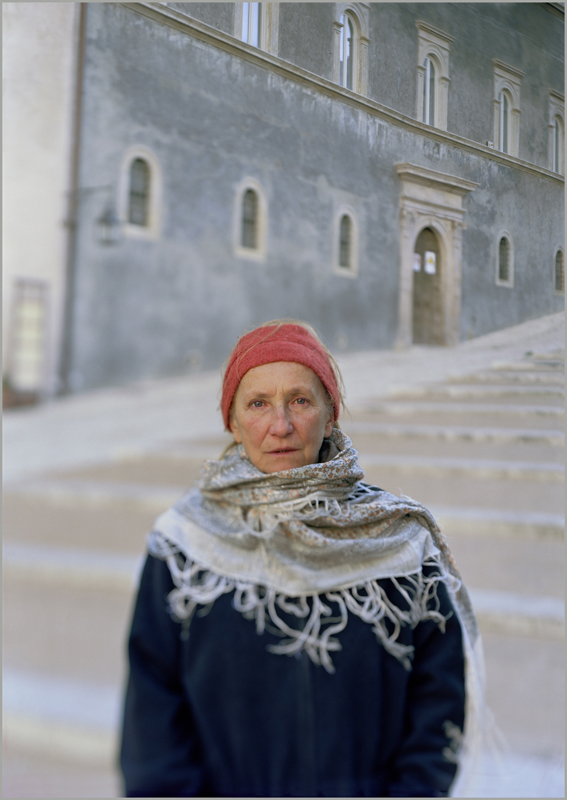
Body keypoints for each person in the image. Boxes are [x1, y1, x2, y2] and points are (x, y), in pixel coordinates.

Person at [120, 320, 484, 798]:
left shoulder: (404, 546)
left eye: (300, 400)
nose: (281, 426)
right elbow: (152, 721)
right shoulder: (185, 545)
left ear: (331, 414)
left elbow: (438, 705)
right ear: (231, 421)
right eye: (257, 404)